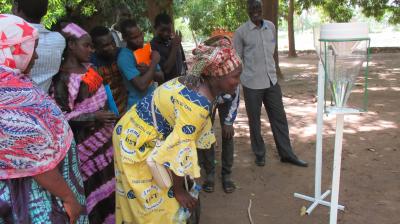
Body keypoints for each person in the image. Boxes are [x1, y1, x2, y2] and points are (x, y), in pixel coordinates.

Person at [112, 35, 242, 223]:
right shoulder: (197, 106)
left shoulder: (197, 84)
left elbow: (181, 140)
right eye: (235, 76)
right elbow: (179, 150)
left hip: (143, 131)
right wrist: (179, 191)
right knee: (152, 203)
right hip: (133, 140)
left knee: (163, 192)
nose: (239, 81)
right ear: (216, 75)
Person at [0, 14, 87, 223]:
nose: (37, 56)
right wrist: (68, 197)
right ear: (11, 49)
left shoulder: (13, 82)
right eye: (32, 48)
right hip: (31, 198)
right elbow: (30, 153)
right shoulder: (5, 96)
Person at [51, 23, 117, 223]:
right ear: (71, 45)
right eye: (86, 45)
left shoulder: (91, 70)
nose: (91, 50)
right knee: (91, 196)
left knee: (109, 193)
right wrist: (94, 117)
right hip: (84, 153)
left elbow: (103, 97)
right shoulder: (62, 79)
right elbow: (60, 117)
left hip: (105, 147)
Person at [234, 0, 308, 167]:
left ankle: (287, 154)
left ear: (261, 9)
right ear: (247, 10)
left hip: (271, 81)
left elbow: (272, 52)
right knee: (254, 121)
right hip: (252, 83)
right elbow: (237, 59)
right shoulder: (241, 32)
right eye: (252, 8)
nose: (255, 11)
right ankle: (259, 154)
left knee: (279, 118)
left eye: (258, 8)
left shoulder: (271, 27)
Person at [12, 0, 65, 93]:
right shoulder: (58, 40)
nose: (36, 56)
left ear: (15, 6)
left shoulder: (8, 38)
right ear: (45, 11)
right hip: (43, 103)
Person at [199, 85, 240, 194]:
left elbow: (235, 98)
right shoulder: (204, 78)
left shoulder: (231, 74)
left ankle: (226, 174)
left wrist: (229, 122)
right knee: (205, 134)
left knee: (228, 134)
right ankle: (209, 173)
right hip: (207, 96)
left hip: (227, 98)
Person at [117, 19, 164, 109]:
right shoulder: (124, 58)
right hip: (138, 107)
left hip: (153, 102)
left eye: (140, 34)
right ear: (125, 38)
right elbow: (141, 86)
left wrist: (147, 70)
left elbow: (161, 77)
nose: (140, 40)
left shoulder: (146, 50)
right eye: (134, 38)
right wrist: (154, 62)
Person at [90, 26, 128, 115]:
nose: (112, 47)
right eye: (106, 45)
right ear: (94, 47)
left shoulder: (122, 54)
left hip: (128, 109)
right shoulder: (91, 65)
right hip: (107, 116)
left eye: (113, 42)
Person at [150, 12, 187, 83]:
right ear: (155, 28)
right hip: (167, 86)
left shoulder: (174, 40)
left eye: (169, 30)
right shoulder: (153, 46)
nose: (166, 33)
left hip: (181, 81)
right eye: (162, 30)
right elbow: (166, 70)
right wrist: (174, 47)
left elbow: (182, 60)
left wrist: (185, 73)